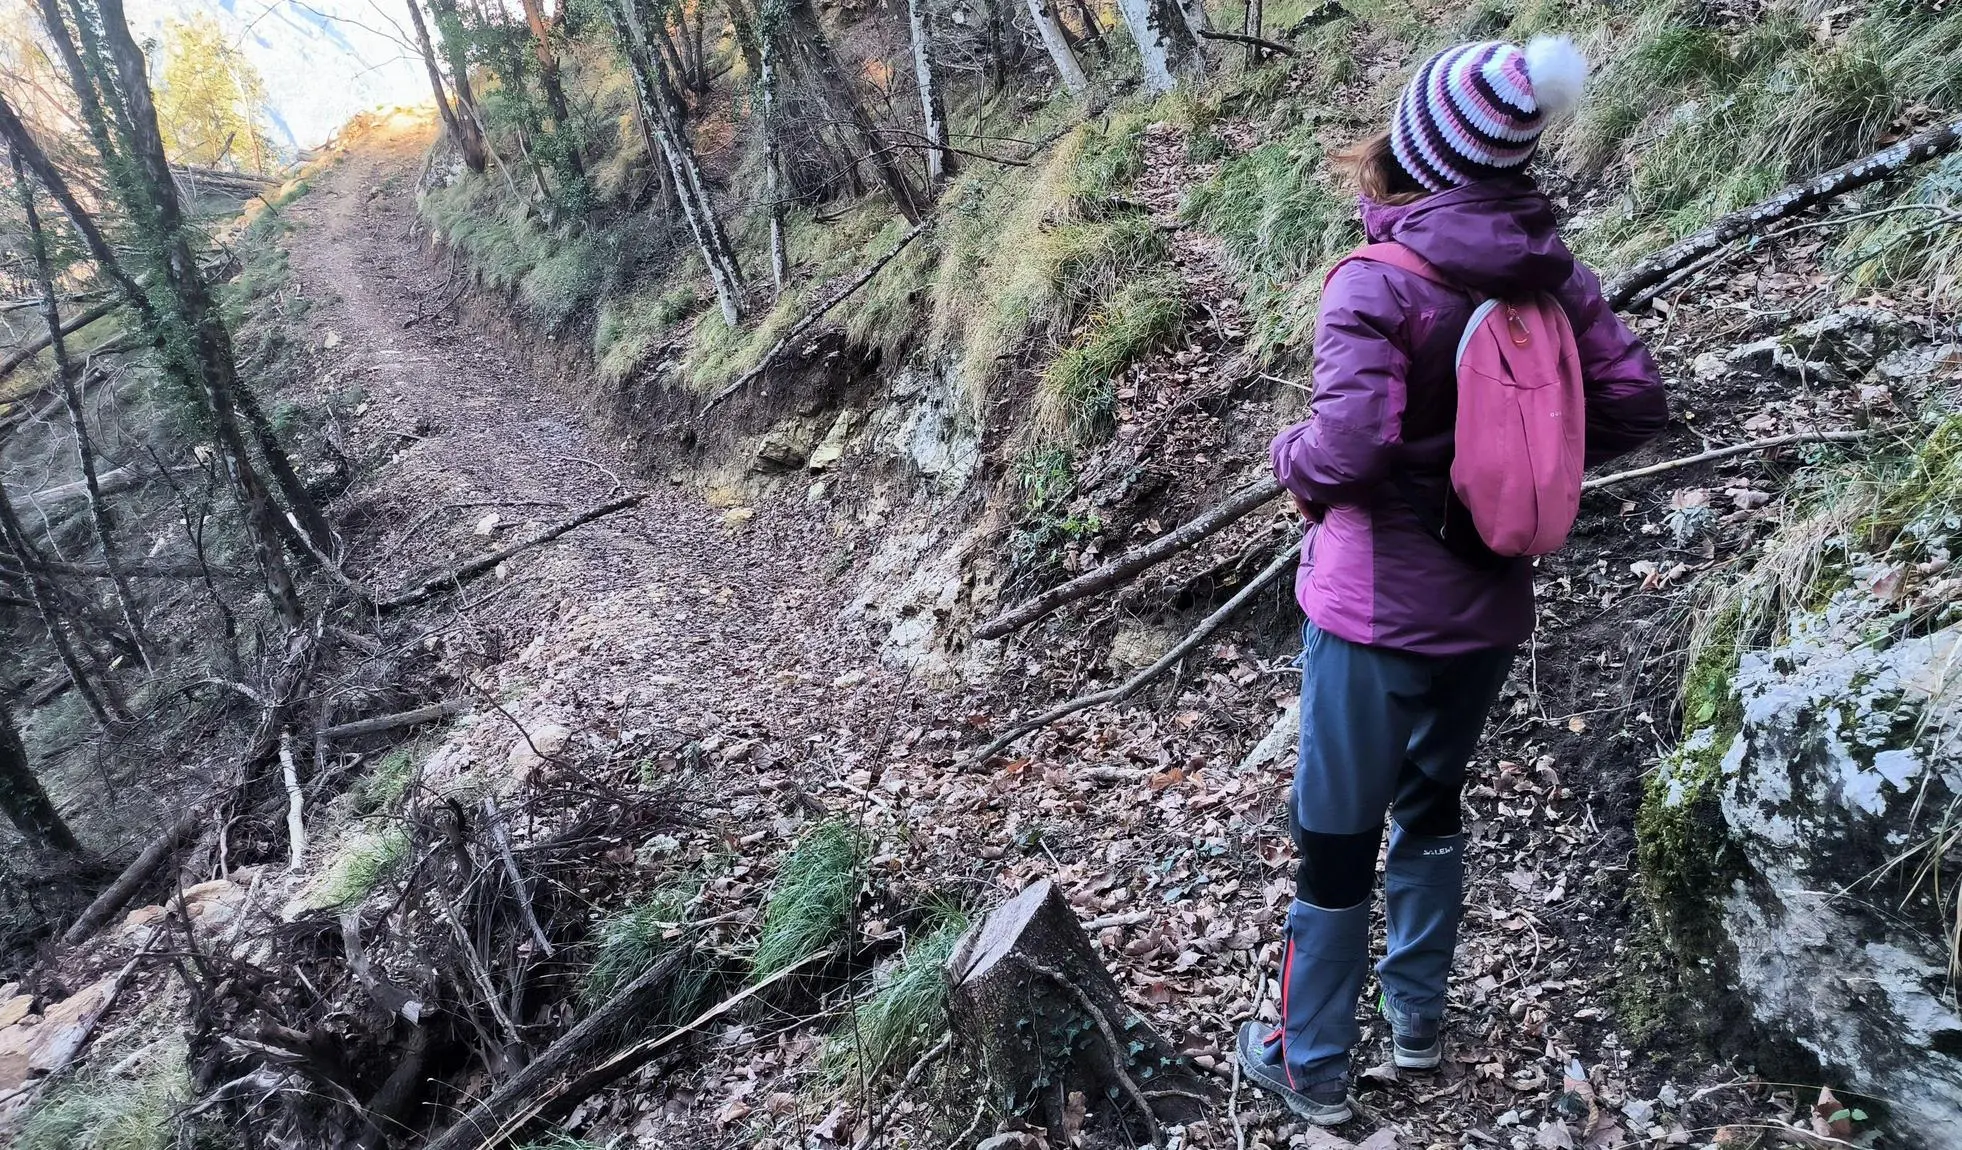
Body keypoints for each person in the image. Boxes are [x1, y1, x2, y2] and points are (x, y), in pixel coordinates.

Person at [1237, 35, 1669, 1124]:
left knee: (1334, 835)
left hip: (1372, 610)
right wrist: (1515, 467)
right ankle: (1417, 1020)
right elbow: (1632, 402)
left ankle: (1312, 1061)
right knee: (1432, 803)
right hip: (1489, 603)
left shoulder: (1376, 284)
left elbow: (1348, 452)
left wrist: (1286, 457)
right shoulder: (1552, 273)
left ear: (1418, 151)